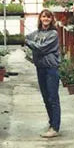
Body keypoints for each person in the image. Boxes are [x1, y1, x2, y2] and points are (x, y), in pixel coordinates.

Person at [26, 9, 61, 138]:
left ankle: (55, 127)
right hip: (40, 67)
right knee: (46, 98)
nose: (45, 19)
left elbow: (41, 48)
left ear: (52, 20)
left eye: (48, 17)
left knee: (53, 97)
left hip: (51, 68)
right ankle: (51, 123)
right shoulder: (37, 33)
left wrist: (28, 42)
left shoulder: (53, 34)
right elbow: (27, 38)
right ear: (40, 18)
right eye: (43, 17)